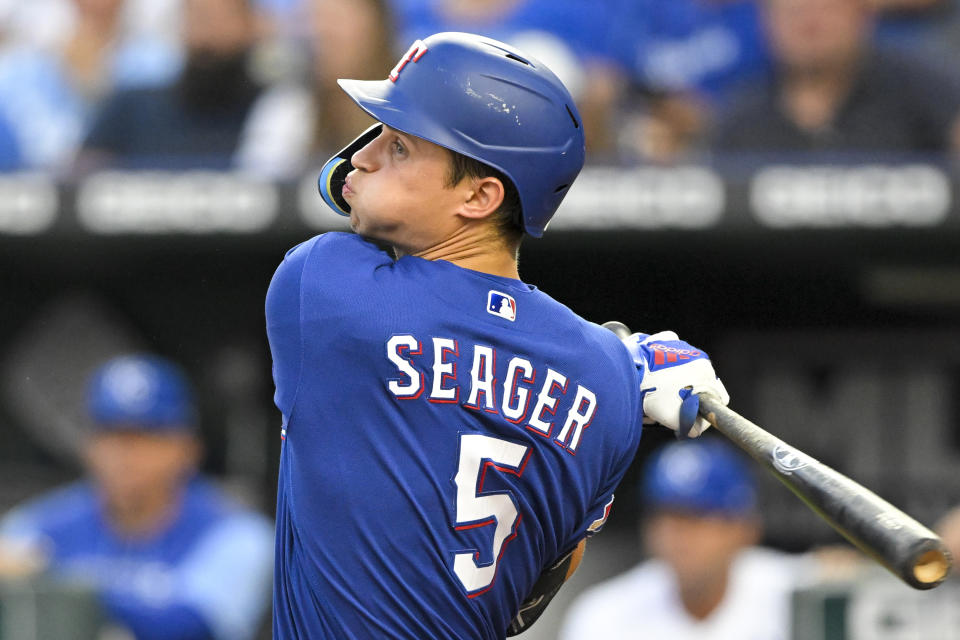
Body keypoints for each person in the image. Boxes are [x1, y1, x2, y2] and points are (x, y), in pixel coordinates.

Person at [265, 31, 730, 639]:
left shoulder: (323, 284)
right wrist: (624, 360)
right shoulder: (607, 389)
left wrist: (624, 354)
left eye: (400, 146)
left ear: (481, 196)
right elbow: (527, 602)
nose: (362, 157)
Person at [0, 354, 275, 640]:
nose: (124, 454)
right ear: (88, 446)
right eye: (111, 434)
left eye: (146, 436)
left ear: (188, 449)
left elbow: (192, 628)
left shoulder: (239, 534)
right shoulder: (40, 523)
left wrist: (52, 580)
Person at [560, 437, 807, 640]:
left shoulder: (801, 594)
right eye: (666, 517)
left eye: (697, 517)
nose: (677, 536)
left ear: (744, 529)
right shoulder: (604, 616)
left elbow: (834, 575)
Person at [714, 0, 960, 155]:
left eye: (824, 9)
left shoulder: (923, 91)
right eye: (792, 13)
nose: (807, 24)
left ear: (862, 15)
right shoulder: (739, 117)